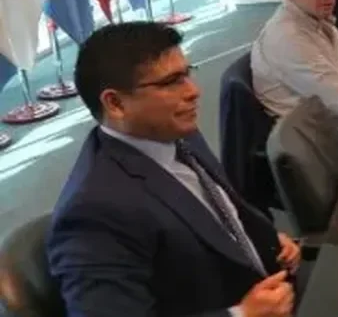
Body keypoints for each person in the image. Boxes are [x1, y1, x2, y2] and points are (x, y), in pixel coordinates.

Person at [49, 22, 301, 317]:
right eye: (171, 82)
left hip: (277, 287)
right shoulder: (92, 212)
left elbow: (223, 209)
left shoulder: (176, 132)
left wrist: (267, 240)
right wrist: (241, 315)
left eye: (187, 73)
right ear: (115, 103)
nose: (193, 91)